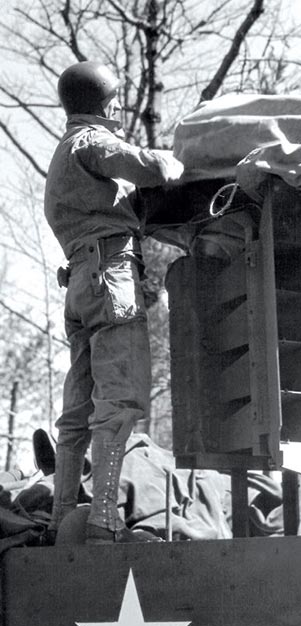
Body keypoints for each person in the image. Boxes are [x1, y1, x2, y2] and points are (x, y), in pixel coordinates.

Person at [44, 61, 183, 544]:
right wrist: (180, 160)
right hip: (111, 278)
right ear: (104, 103)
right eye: (116, 100)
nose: (121, 108)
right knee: (120, 402)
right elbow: (152, 168)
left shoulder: (63, 155)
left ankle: (64, 514)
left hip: (80, 281)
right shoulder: (91, 141)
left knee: (76, 410)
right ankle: (104, 518)